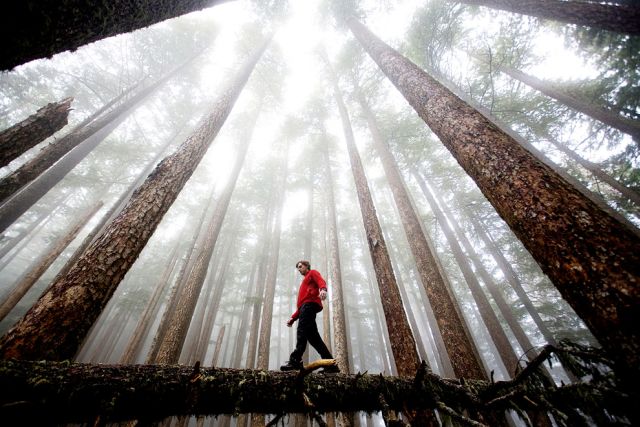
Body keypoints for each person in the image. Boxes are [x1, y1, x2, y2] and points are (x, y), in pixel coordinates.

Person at [280, 260, 339, 373]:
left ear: (306, 266)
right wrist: (293, 317)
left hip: (309, 306)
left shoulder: (312, 273)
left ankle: (295, 361)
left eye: (300, 266)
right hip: (304, 308)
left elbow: (321, 281)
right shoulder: (304, 283)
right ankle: (331, 366)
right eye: (297, 268)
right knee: (315, 339)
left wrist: (323, 289)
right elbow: (301, 305)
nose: (299, 269)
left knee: (301, 331)